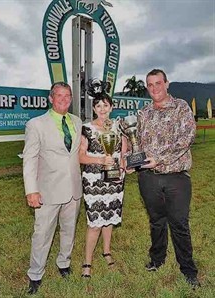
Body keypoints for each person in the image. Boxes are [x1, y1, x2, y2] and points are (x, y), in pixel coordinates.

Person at [136, 69, 200, 288]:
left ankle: (188, 270)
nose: (155, 88)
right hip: (148, 178)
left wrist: (160, 159)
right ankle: (157, 259)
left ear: (167, 84)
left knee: (179, 223)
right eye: (150, 84)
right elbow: (138, 144)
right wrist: (131, 162)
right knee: (156, 221)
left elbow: (187, 138)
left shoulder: (181, 107)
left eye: (158, 83)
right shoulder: (143, 112)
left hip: (176, 178)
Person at [23, 82, 82, 294]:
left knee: (70, 230)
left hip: (74, 189)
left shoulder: (77, 121)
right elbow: (29, 159)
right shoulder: (36, 125)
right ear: (51, 98)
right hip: (47, 191)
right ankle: (35, 274)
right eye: (59, 95)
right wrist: (31, 190)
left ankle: (64, 263)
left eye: (68, 96)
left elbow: (77, 155)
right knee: (42, 234)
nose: (64, 99)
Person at [79, 79, 128, 278]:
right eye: (98, 105)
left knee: (109, 219)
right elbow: (80, 157)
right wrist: (101, 159)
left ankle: (106, 251)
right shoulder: (86, 129)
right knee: (95, 222)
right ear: (93, 108)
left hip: (115, 180)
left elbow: (124, 154)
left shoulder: (119, 127)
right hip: (93, 181)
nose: (102, 109)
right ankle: (87, 262)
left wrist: (126, 165)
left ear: (111, 107)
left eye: (105, 105)